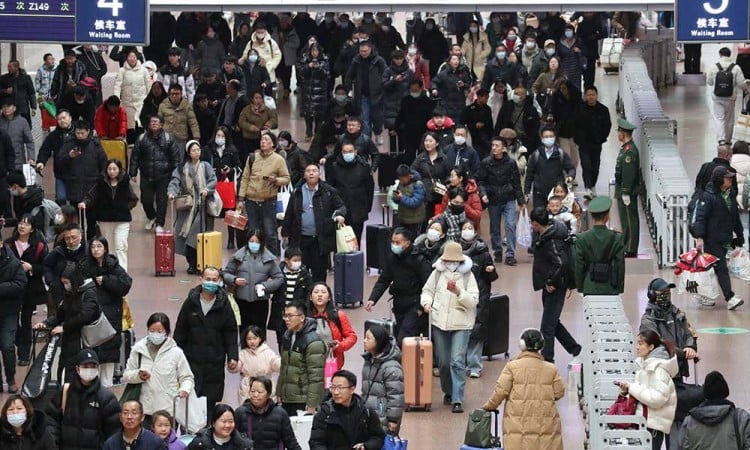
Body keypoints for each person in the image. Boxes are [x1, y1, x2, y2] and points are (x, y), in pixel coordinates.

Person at [482, 328, 565, 450]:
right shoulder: (551, 369)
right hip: (546, 424)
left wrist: (488, 407)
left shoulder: (512, 367)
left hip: (517, 425)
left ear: (522, 345)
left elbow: (500, 391)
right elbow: (559, 393)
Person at [421, 241, 479, 413]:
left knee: (457, 361)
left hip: (461, 323)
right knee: (444, 363)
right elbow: (427, 291)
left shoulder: (468, 276)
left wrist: (459, 292)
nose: (450, 264)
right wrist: (426, 303)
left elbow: (474, 301)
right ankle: (448, 391)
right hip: (439, 322)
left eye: (453, 261)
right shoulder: (437, 273)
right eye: (447, 261)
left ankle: (457, 398)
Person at [174, 267, 239, 408]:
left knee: (209, 403)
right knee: (189, 401)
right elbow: (180, 330)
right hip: (192, 360)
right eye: (208, 279)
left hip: (214, 361)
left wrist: (232, 356)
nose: (210, 282)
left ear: (220, 281)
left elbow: (231, 331)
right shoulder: (191, 302)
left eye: (214, 280)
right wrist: (175, 357)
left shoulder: (224, 304)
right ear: (201, 279)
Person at [76, 236, 132, 388]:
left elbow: (125, 285)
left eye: (99, 246)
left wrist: (106, 281)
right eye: (93, 247)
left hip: (111, 317)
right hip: (91, 318)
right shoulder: (83, 266)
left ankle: (106, 389)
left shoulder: (113, 266)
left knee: (108, 356)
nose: (96, 250)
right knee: (91, 354)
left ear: (105, 248)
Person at [122, 313, 193, 427]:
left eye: (160, 331)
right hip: (144, 411)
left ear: (167, 332)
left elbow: (187, 377)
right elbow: (126, 375)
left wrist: (185, 389)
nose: (155, 334)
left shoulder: (176, 353)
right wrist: (138, 375)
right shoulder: (138, 350)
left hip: (167, 411)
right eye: (152, 330)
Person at [529, 207, 581, 364]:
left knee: (547, 327)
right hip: (555, 284)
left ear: (536, 223)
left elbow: (561, 263)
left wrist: (550, 281)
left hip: (555, 286)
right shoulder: (554, 232)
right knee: (552, 322)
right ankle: (575, 349)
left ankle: (547, 360)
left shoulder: (551, 240)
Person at [281, 164, 346, 282]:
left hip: (320, 239)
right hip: (301, 239)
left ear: (319, 174)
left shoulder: (328, 191)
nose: (311, 173)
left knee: (319, 272)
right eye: (308, 171)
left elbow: (341, 206)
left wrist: (339, 214)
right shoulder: (297, 191)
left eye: (314, 171)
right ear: (304, 175)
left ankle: (318, 294)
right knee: (301, 270)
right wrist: (285, 233)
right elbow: (289, 212)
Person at [46, 349, 121, 450]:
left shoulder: (106, 398)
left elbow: (114, 432)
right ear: (77, 369)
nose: (89, 370)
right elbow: (51, 420)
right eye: (85, 367)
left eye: (93, 366)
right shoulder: (65, 392)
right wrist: (53, 443)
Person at [366, 227, 432, 342]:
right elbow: (384, 280)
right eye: (392, 242)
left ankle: (404, 359)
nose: (394, 245)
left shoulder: (419, 259)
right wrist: (373, 298)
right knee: (401, 333)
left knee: (404, 337)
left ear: (407, 243)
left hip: (414, 304)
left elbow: (427, 284)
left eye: (397, 242)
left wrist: (420, 308)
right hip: (399, 303)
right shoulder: (392, 258)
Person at [616, 330, 678, 450]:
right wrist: (626, 391)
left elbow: (656, 399)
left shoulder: (659, 370)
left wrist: (632, 388)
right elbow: (643, 393)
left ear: (651, 347)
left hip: (652, 427)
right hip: (645, 422)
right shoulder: (643, 365)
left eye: (640, 344)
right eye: (637, 343)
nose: (637, 347)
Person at [693, 166, 745, 310]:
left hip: (726, 237)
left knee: (712, 268)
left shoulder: (731, 194)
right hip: (712, 239)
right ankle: (730, 297)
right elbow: (701, 218)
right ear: (718, 179)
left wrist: (739, 235)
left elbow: (735, 217)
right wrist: (699, 237)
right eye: (727, 177)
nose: (730, 179)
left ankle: (705, 295)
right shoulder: (708, 196)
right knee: (720, 266)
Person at [167, 140, 217, 273]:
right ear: (188, 153)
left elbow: (213, 179)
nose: (196, 152)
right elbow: (175, 181)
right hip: (188, 207)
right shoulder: (181, 168)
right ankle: (192, 264)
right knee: (187, 236)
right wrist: (172, 192)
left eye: (198, 150)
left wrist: (207, 189)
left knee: (197, 236)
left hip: (203, 207)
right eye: (193, 150)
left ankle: (200, 263)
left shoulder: (206, 166)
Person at [236, 132, 289, 257]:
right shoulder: (252, 157)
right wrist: (241, 199)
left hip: (269, 201)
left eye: (266, 140)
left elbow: (286, 178)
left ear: (273, 144)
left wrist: (275, 180)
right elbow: (245, 178)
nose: (263, 142)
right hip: (251, 201)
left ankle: (272, 259)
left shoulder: (278, 159)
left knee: (270, 232)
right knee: (253, 231)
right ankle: (253, 257)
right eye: (261, 140)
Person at [4, 214, 47, 366]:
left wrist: (31, 268)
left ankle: (24, 354)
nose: (22, 226)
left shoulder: (39, 245)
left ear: (32, 228)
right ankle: (16, 343)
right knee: (12, 322)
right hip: (11, 291)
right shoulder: (8, 244)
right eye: (21, 223)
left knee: (26, 320)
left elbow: (45, 267)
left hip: (31, 290)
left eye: (26, 224)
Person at [80, 159, 136, 271]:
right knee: (108, 247)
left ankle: (122, 271)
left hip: (122, 220)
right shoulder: (101, 183)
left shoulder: (125, 183)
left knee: (121, 246)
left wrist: (125, 207)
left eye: (114, 169)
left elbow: (133, 198)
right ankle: (110, 270)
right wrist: (84, 203)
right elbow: (91, 195)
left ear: (119, 170)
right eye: (109, 169)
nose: (112, 171)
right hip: (105, 219)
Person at [223, 229, 284, 330]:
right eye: (251, 241)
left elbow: (279, 278)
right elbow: (225, 273)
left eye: (257, 242)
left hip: (260, 302)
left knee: (259, 330)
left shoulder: (268, 259)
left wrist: (265, 286)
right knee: (244, 330)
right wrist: (234, 280)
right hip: (242, 301)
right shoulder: (238, 257)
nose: (254, 244)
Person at [309, 369, 386, 450]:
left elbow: (378, 437)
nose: (335, 392)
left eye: (340, 388)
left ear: (352, 389)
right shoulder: (325, 412)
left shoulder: (365, 410)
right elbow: (315, 442)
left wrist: (366, 446)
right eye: (333, 387)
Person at [129, 115, 182, 233]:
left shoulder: (168, 139)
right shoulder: (142, 138)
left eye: (156, 122)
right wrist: (132, 172)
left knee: (162, 201)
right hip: (146, 175)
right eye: (151, 121)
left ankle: (160, 223)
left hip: (164, 175)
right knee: (145, 200)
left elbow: (175, 158)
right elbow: (135, 156)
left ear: (161, 124)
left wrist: (176, 175)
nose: (153, 123)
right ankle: (152, 216)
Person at [478, 136, 525, 265]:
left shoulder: (511, 163)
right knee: (494, 228)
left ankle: (510, 254)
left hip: (509, 198)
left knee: (510, 225)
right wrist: (483, 194)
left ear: (504, 148)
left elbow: (516, 183)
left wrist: (521, 201)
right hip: (493, 199)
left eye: (497, 145)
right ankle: (497, 250)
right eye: (493, 145)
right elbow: (480, 181)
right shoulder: (486, 163)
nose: (494, 148)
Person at [459, 220, 497, 378]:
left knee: (477, 329)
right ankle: (460, 363)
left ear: (475, 232)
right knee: (460, 329)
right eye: (464, 228)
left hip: (479, 295)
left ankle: (474, 365)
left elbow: (492, 276)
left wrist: (490, 270)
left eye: (470, 228)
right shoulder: (454, 250)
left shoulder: (483, 252)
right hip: (459, 294)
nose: (467, 231)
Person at [277, 301, 326, 416]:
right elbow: (284, 368)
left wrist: (312, 403)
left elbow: (316, 377)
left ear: (302, 317)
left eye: (290, 316)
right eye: (285, 315)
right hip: (286, 398)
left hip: (302, 400)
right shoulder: (287, 336)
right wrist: (279, 392)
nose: (286, 319)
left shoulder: (313, 342)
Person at [681, 371, 750, 448]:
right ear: (725, 390)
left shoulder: (689, 422)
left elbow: (683, 446)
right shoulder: (741, 418)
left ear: (705, 393)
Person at [574, 197, 626, 295]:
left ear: (592, 216)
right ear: (607, 216)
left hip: (589, 285)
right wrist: (620, 288)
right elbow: (620, 265)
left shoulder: (582, 238)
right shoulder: (617, 238)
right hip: (611, 286)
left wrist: (581, 287)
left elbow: (579, 266)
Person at [327, 140, 374, 243]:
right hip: (340, 210)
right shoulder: (334, 167)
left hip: (358, 210)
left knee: (356, 241)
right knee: (340, 241)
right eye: (345, 152)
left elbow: (369, 188)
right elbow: (329, 188)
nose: (348, 154)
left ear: (355, 151)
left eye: (350, 151)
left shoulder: (364, 167)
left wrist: (367, 208)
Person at [361, 324, 404, 433]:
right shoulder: (368, 361)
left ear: (378, 341)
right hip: (369, 415)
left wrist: (393, 419)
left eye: (368, 338)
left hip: (383, 417)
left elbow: (396, 395)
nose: (364, 341)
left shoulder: (391, 367)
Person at [42, 224, 89, 317]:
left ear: (81, 236)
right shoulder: (58, 251)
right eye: (67, 238)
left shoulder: (88, 251)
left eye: (74, 237)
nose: (71, 241)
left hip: (82, 290)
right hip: (59, 291)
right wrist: (50, 281)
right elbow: (46, 265)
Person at [574, 85, 612, 198]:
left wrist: (601, 137)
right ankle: (587, 187)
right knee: (586, 165)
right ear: (585, 96)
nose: (591, 97)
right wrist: (578, 139)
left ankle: (593, 185)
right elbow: (575, 125)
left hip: (596, 143)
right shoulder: (580, 109)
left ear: (596, 95)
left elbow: (607, 125)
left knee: (595, 166)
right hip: (584, 143)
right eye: (588, 95)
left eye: (593, 95)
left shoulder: (603, 110)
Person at [309, 282, 357, 370]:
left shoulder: (338, 315)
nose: (319, 295)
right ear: (310, 297)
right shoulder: (304, 317)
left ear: (329, 297)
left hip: (331, 363)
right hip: (309, 365)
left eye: (323, 292)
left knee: (330, 383)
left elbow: (351, 336)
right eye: (316, 292)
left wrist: (340, 345)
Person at [524, 126, 575, 210]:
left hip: (557, 194)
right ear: (542, 138)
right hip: (539, 194)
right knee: (540, 218)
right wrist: (526, 192)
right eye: (546, 137)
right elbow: (529, 174)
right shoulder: (536, 155)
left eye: (551, 136)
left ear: (555, 138)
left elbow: (571, 168)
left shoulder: (561, 154)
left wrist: (570, 176)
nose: (549, 139)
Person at [345, 42, 387, 142]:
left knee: (377, 118)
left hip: (377, 95)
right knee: (364, 118)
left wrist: (384, 87)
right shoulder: (356, 61)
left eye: (365, 51)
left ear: (370, 50)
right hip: (362, 95)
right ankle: (366, 140)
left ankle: (378, 133)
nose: (363, 53)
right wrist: (348, 89)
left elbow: (385, 74)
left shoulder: (379, 61)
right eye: (361, 51)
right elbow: (349, 76)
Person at [228, 326, 281, 404]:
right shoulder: (243, 353)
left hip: (265, 384)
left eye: (255, 338)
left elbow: (275, 362)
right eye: (249, 339)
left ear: (260, 338)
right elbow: (237, 366)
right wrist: (233, 365)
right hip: (247, 388)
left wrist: (283, 364)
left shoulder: (267, 352)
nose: (252, 341)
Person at [614, 118, 642, 257]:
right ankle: (626, 245)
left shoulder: (629, 151)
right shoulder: (626, 148)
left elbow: (629, 174)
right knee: (625, 220)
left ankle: (630, 247)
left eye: (618, 131)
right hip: (623, 190)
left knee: (630, 220)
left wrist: (625, 191)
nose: (617, 134)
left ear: (623, 133)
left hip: (627, 192)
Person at [707, 47, 747, 142]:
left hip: (717, 97)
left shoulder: (714, 67)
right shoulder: (736, 67)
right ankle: (728, 140)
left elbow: (709, 82)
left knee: (719, 118)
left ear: (720, 54)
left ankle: (721, 139)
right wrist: (746, 89)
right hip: (730, 97)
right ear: (730, 55)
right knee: (729, 120)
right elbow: (741, 84)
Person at [411, 131, 451, 224]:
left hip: (440, 194)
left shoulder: (444, 158)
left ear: (437, 143)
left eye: (430, 141)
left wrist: (447, 185)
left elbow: (449, 174)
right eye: (426, 141)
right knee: (426, 221)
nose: (427, 143)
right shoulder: (420, 158)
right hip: (425, 195)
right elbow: (412, 172)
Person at [36, 109, 74, 203]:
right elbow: (45, 149)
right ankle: (62, 217)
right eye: (59, 119)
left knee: (75, 200)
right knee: (61, 198)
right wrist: (41, 162)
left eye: (64, 118)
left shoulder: (79, 133)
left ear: (70, 118)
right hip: (61, 172)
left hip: (76, 172)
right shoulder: (54, 136)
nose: (62, 121)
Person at [114, 51, 152, 143]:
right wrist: (116, 99)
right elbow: (117, 86)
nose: (132, 59)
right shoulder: (122, 71)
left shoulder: (144, 71)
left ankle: (141, 144)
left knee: (140, 125)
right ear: (127, 58)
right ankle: (130, 145)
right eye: (130, 57)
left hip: (141, 102)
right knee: (129, 125)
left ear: (137, 58)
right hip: (127, 103)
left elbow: (149, 86)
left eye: (133, 57)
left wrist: (150, 99)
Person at [297, 43, 330, 141]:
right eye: (313, 51)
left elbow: (327, 74)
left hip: (320, 93)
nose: (314, 53)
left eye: (316, 51)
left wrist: (319, 68)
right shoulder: (305, 60)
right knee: (308, 116)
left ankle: (317, 134)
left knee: (319, 116)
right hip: (307, 92)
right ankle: (308, 132)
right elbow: (301, 73)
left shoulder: (324, 60)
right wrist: (308, 67)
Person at [102, 400, 167, 450]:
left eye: (134, 412)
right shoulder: (110, 444)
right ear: (120, 417)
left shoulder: (156, 443)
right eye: (125, 413)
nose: (129, 417)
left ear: (142, 417)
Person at [495, 84, 541, 151]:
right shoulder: (507, 106)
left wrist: (531, 140)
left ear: (524, 96)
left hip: (526, 140)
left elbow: (536, 125)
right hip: (509, 139)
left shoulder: (531, 109)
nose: (515, 95)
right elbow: (499, 122)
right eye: (515, 93)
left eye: (517, 94)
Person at [187, 404, 253, 450]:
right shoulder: (199, 443)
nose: (227, 425)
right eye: (224, 421)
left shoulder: (245, 445)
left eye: (231, 421)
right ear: (213, 423)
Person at [159, 83, 200, 151]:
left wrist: (196, 138)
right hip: (166, 138)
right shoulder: (163, 105)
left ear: (181, 94)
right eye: (172, 94)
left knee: (180, 160)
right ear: (169, 94)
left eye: (177, 94)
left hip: (181, 138)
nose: (174, 96)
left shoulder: (187, 106)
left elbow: (193, 123)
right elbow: (159, 122)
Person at [432, 55, 473, 121]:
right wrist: (434, 89)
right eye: (454, 60)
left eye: (457, 60)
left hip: (460, 102)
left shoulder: (463, 73)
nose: (456, 62)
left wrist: (463, 85)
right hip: (446, 102)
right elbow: (434, 81)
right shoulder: (443, 73)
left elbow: (468, 84)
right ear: (449, 62)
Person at [391, 165, 426, 239]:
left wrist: (402, 197)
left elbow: (415, 202)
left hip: (415, 220)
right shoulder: (401, 183)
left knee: (412, 240)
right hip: (403, 218)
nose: (401, 181)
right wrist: (396, 197)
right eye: (400, 179)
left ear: (409, 176)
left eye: (403, 179)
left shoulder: (418, 184)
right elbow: (397, 199)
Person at [0, 60, 37, 128]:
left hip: (23, 109)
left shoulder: (26, 78)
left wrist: (33, 107)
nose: (8, 68)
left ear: (16, 67)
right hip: (9, 110)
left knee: (25, 127)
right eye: (8, 67)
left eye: (10, 67)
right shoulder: (3, 78)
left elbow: (31, 93)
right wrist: (5, 91)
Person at [0, 99, 35, 169]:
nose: (6, 109)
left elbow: (29, 141)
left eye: (8, 106)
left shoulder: (22, 122)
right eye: (4, 106)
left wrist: (31, 157)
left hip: (18, 162)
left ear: (14, 108)